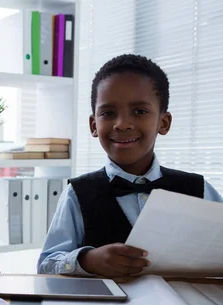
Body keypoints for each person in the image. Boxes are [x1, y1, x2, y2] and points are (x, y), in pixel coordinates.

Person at [38, 54, 223, 278]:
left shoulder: (199, 190)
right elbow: (46, 265)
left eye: (139, 112)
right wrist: (88, 260)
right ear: (93, 125)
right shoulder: (76, 193)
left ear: (163, 123)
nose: (122, 124)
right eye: (108, 113)